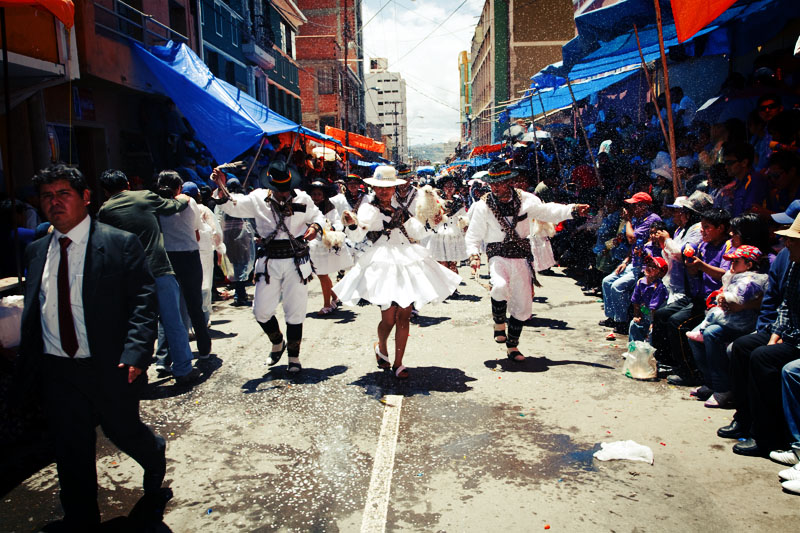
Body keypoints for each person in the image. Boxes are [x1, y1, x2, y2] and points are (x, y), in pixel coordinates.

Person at [17, 165, 170, 529]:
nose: (55, 203)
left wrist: (136, 352)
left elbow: (143, 302)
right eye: (47, 197)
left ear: (86, 197)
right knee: (71, 450)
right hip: (59, 370)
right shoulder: (37, 251)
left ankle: (154, 453)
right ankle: (81, 518)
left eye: (63, 194)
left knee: (123, 432)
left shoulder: (119, 243)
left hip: (110, 365)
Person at [334, 165, 461, 379]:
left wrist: (433, 222)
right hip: (381, 262)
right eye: (379, 187)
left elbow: (415, 232)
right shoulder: (368, 208)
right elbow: (357, 235)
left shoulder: (401, 207)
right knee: (388, 318)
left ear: (394, 188)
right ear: (373, 187)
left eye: (388, 187)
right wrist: (352, 225)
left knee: (404, 315)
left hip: (406, 258)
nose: (384, 191)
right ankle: (381, 345)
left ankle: (399, 363)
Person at [465, 162, 589, 362]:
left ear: (510, 182)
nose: (495, 187)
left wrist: (573, 210)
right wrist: (473, 255)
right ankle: (498, 323)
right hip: (497, 255)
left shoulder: (526, 200)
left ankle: (512, 346)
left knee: (523, 305)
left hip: (521, 257)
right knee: (499, 286)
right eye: (492, 183)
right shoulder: (482, 206)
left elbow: (548, 211)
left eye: (499, 183)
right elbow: (473, 235)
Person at [213, 161, 324, 374]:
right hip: (269, 261)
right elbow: (232, 205)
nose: (283, 194)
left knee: (295, 311)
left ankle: (294, 357)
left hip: (296, 261)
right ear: (270, 186)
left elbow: (317, 216)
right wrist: (221, 186)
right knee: (261, 311)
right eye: (279, 190)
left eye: (286, 189)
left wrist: (315, 227)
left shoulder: (303, 197)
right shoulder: (257, 198)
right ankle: (277, 342)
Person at [97, 169, 202, 384]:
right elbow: (172, 207)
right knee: (173, 321)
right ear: (127, 184)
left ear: (106, 191)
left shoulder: (104, 211)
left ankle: (139, 374)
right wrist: (184, 198)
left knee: (137, 327)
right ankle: (183, 370)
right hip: (159, 269)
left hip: (128, 277)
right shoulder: (144, 196)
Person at [718, 213, 800, 457]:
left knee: (763, 358)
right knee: (743, 347)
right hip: (784, 330)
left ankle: (766, 435)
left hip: (795, 337)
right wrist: (774, 332)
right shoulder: (791, 259)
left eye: (792, 238)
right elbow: (783, 303)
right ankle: (744, 417)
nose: (786, 242)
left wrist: (781, 336)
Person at [686, 245, 769, 408]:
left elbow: (739, 298)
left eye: (736, 261)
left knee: (711, 333)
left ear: (749, 264)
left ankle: (723, 389)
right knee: (696, 335)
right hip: (728, 316)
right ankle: (710, 383)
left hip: (742, 321)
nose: (731, 264)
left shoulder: (752, 279)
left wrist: (727, 298)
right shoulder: (735, 275)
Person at [155, 171, 212, 366]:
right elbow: (196, 230)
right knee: (194, 305)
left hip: (168, 257)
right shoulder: (190, 202)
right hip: (189, 255)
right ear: (179, 187)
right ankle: (204, 349)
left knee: (167, 308)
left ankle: (164, 358)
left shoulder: (156, 205)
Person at [600, 192, 662, 335]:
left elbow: (632, 239)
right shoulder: (637, 219)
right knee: (607, 281)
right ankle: (612, 317)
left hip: (644, 267)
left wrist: (628, 220)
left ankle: (621, 322)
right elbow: (633, 247)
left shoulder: (651, 219)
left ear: (644, 206)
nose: (632, 208)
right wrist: (625, 261)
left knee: (617, 287)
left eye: (635, 205)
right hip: (632, 262)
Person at [307, 180, 352, 315]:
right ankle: (335, 297)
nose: (316, 197)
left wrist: (332, 228)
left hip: (324, 245)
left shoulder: (329, 207)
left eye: (319, 194)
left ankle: (327, 305)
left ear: (324, 195)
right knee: (322, 275)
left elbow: (338, 223)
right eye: (313, 194)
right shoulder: (307, 207)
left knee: (322, 275)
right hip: (312, 245)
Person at [425, 174, 468, 274]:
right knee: (442, 264)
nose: (449, 189)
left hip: (454, 234)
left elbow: (463, 216)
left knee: (452, 264)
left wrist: (464, 224)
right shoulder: (437, 201)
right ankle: (444, 286)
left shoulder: (458, 202)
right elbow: (430, 218)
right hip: (440, 234)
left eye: (452, 186)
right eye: (447, 186)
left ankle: (453, 288)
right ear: (443, 188)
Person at [628, 256, 669, 343]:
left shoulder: (659, 287)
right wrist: (636, 315)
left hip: (655, 317)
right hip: (644, 313)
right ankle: (634, 349)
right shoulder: (640, 282)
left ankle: (649, 350)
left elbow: (654, 309)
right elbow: (636, 301)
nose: (649, 268)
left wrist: (652, 323)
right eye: (648, 265)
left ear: (660, 273)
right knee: (634, 324)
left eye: (654, 267)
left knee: (651, 332)